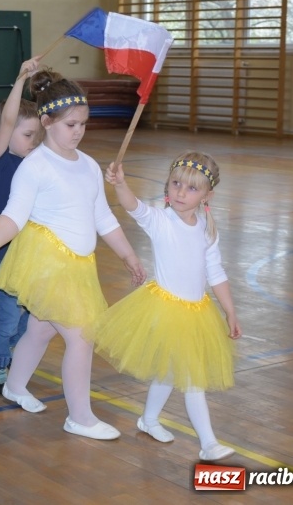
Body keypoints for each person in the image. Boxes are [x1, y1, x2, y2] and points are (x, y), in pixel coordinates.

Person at [0, 68, 146, 441]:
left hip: (78, 264)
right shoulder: (34, 167)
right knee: (81, 335)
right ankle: (79, 415)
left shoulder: (89, 166)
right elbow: (12, 216)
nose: (78, 131)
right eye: (69, 125)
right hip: (46, 263)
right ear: (47, 122)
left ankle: (15, 385)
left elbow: (102, 216)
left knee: (41, 327)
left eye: (82, 123)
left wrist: (128, 255)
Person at [91, 152, 242, 460]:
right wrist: (120, 183)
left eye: (191, 188)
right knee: (191, 377)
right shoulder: (161, 220)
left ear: (206, 195)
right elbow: (134, 207)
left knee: (170, 373)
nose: (181, 192)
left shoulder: (207, 230)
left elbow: (216, 273)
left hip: (197, 312)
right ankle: (209, 443)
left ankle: (148, 419)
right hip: (165, 311)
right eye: (176, 184)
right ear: (167, 184)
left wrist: (230, 310)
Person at [0, 56, 42, 394]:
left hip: (31, 254)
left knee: (29, 318)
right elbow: (9, 120)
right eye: (28, 134)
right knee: (7, 317)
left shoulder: (38, 164)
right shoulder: (0, 159)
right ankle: (0, 366)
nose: (34, 141)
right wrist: (20, 78)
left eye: (38, 135)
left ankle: (16, 358)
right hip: (2, 255)